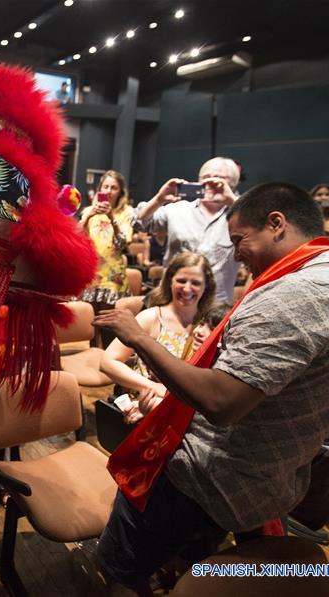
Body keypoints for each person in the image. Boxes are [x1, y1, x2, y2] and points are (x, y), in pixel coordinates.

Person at [93, 182, 329, 591]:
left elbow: (220, 400)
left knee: (121, 570)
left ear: (276, 224)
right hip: (266, 480)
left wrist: (139, 339)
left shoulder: (301, 293)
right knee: (195, 560)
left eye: (239, 239)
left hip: (205, 478)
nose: (237, 254)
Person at [100, 252, 215, 424]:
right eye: (181, 281)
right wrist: (154, 387)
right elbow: (107, 362)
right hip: (147, 405)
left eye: (196, 283)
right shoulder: (151, 318)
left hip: (187, 408)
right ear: (170, 281)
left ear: (206, 287)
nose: (187, 288)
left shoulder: (208, 324)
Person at [135, 156, 241, 301]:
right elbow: (140, 223)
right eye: (206, 177)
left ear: (233, 184)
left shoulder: (241, 218)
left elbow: (262, 229)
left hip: (216, 306)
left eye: (219, 178)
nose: (211, 182)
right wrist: (160, 199)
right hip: (172, 300)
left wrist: (232, 201)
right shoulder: (178, 209)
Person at [79, 170, 136, 308]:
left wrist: (111, 217)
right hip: (90, 274)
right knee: (87, 320)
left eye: (114, 188)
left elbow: (122, 243)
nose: (109, 191)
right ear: (100, 189)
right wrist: (88, 217)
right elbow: (76, 239)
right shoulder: (88, 211)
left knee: (107, 323)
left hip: (112, 276)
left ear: (120, 192)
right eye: (106, 187)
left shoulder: (127, 212)